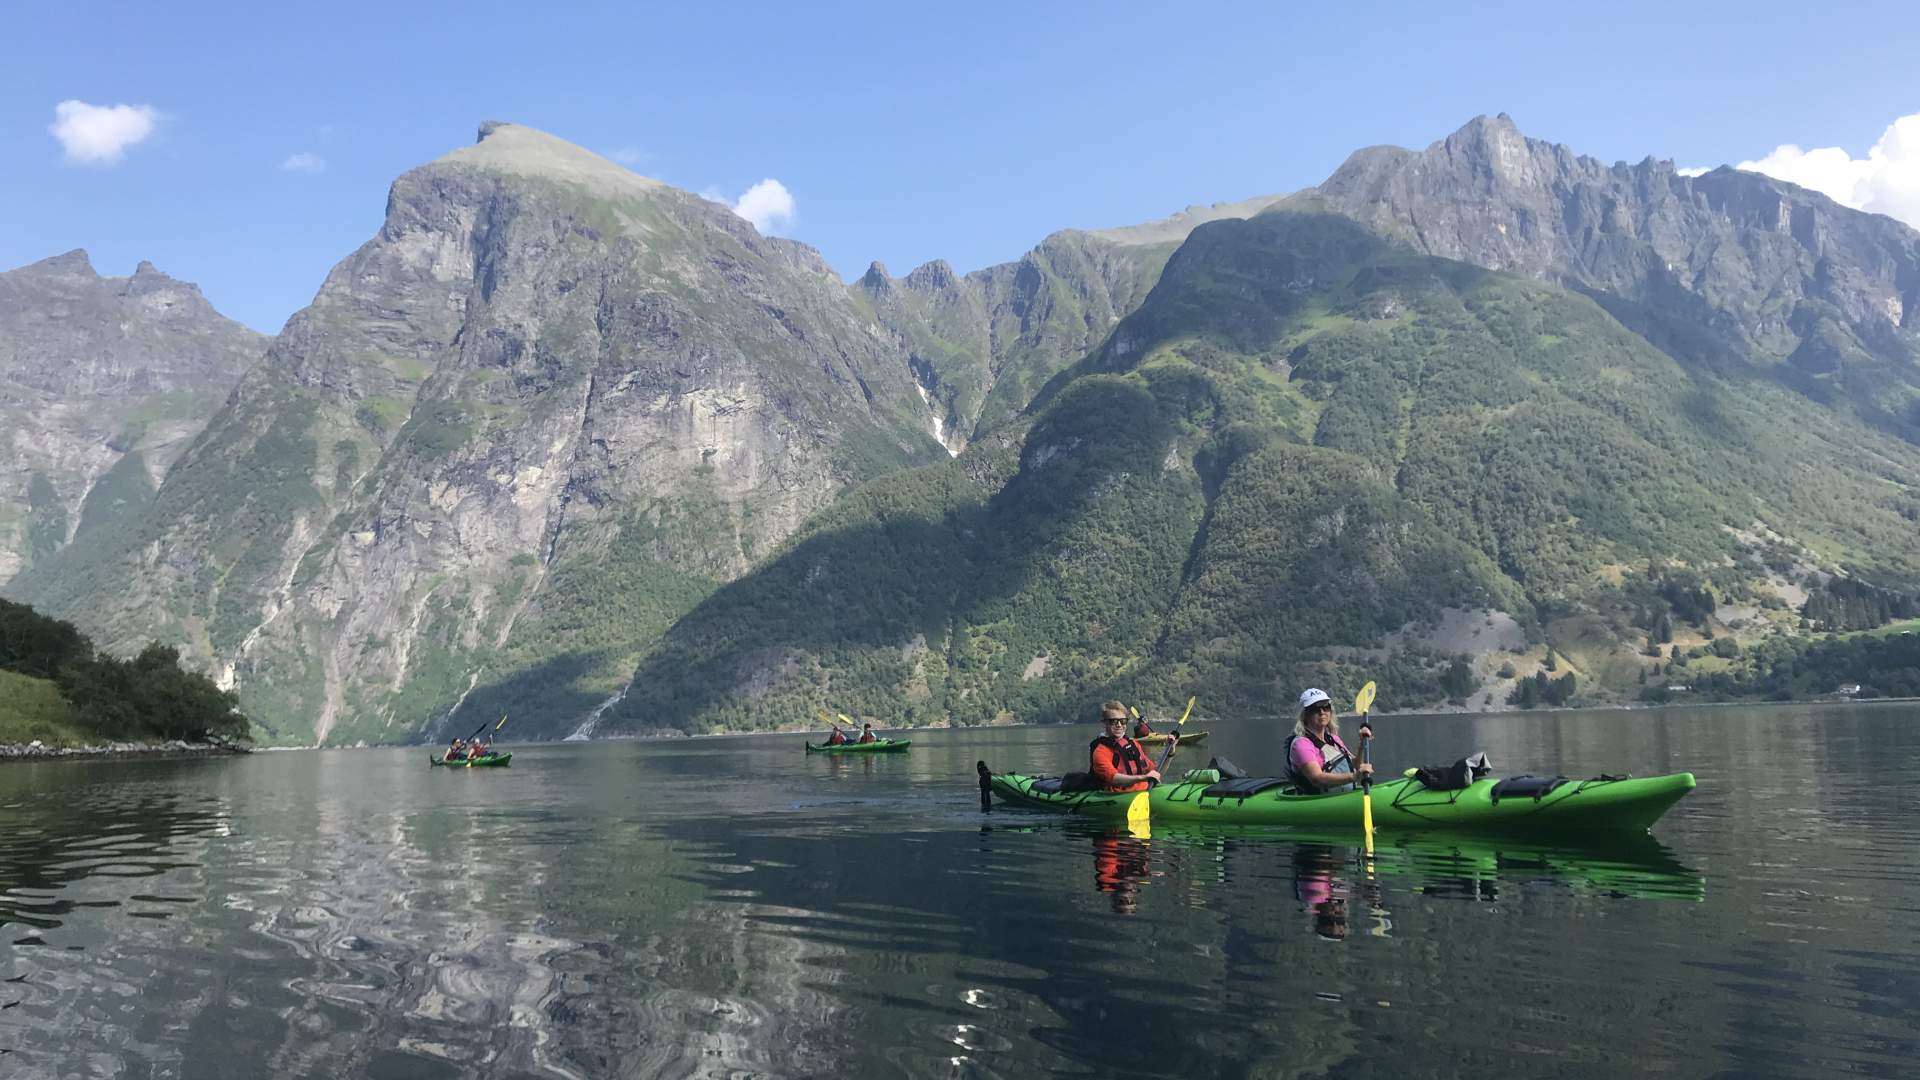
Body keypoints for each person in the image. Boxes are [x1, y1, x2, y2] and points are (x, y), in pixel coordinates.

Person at [1287, 688, 1372, 793]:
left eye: (1325, 706)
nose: (1322, 712)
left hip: (1341, 797)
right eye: (1315, 709)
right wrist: (1354, 776)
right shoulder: (1301, 744)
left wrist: (1362, 743)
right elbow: (1317, 778)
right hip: (1315, 802)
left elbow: (1355, 764)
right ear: (1305, 715)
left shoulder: (1334, 739)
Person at [1089, 701, 1161, 792]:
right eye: (1113, 721)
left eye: (1123, 721)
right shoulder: (1100, 751)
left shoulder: (1134, 744)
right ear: (1104, 724)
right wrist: (1143, 778)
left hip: (1144, 789)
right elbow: (1114, 778)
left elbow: (1156, 772)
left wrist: (1170, 753)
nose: (1119, 725)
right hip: (1118, 795)